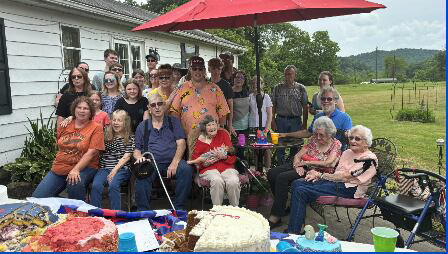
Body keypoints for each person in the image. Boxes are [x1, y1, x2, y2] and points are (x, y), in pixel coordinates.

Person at [287, 125, 377, 234]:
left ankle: (293, 233)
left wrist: (320, 175)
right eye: (351, 138)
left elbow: (345, 177)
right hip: (336, 182)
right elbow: (338, 174)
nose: (353, 141)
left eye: (357, 139)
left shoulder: (369, 159)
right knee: (297, 183)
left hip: (350, 189)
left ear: (366, 142)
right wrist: (319, 176)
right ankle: (297, 220)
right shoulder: (348, 152)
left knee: (301, 191)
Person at [267, 116, 342, 228]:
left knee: (282, 178)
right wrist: (297, 165)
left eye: (321, 135)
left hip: (315, 171)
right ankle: (281, 205)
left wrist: (306, 163)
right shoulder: (313, 139)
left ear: (330, 134)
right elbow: (298, 155)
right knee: (272, 173)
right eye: (316, 134)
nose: (317, 137)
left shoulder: (335, 144)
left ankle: (276, 216)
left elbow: (328, 163)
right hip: (302, 165)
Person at [32, 96, 104, 201]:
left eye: (86, 108)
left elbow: (91, 153)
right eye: (79, 107)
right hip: (61, 166)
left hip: (85, 167)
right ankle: (67, 205)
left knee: (74, 182)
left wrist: (76, 169)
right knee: (37, 198)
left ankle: (78, 212)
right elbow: (60, 145)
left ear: (91, 111)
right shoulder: (65, 124)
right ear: (74, 109)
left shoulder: (96, 127)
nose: (82, 111)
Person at [133, 93, 193, 211]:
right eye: (153, 105)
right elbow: (136, 149)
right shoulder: (143, 126)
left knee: (186, 169)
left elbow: (181, 143)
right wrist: (139, 157)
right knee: (141, 173)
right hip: (152, 163)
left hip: (173, 161)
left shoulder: (173, 122)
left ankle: (178, 208)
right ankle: (143, 212)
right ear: (149, 109)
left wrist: (175, 162)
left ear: (164, 106)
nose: (157, 107)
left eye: (160, 104)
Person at [170, 56, 230, 137]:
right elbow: (174, 111)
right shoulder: (182, 88)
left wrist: (221, 129)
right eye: (194, 68)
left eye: (200, 69)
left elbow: (223, 112)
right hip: (189, 137)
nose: (197, 71)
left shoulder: (215, 88)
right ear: (190, 70)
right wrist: (178, 132)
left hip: (211, 137)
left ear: (204, 70)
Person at [187, 115, 240, 206]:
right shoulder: (200, 140)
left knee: (233, 181)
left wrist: (225, 157)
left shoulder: (223, 134)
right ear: (204, 128)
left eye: (213, 124)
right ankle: (217, 210)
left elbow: (232, 155)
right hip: (209, 169)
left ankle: (234, 210)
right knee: (217, 180)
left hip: (226, 166)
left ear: (217, 125)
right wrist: (206, 164)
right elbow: (196, 160)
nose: (212, 127)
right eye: (208, 125)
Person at [280, 86, 352, 150]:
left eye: (329, 99)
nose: (326, 101)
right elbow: (308, 133)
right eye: (323, 99)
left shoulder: (345, 118)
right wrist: (286, 134)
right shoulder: (318, 116)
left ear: (335, 101)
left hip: (336, 154)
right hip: (317, 151)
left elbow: (350, 139)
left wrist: (348, 135)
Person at [90, 110, 134, 210]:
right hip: (104, 168)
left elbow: (126, 157)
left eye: (119, 120)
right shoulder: (106, 135)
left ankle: (116, 214)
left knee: (113, 185)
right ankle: (96, 214)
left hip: (122, 169)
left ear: (125, 123)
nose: (116, 122)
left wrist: (114, 171)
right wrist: (71, 118)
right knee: (96, 186)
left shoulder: (130, 137)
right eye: (114, 120)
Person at [271, 65, 308, 165]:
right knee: (279, 145)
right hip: (280, 120)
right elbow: (273, 105)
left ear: (295, 75)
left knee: (295, 145)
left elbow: (305, 107)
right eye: (286, 74)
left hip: (295, 121)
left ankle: (292, 165)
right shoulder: (278, 88)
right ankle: (280, 165)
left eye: (290, 74)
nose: (287, 76)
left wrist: (304, 124)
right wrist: (272, 120)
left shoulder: (301, 88)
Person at [249, 76, 273, 168]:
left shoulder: (266, 96)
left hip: (263, 127)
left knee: (266, 149)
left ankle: (267, 169)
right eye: (254, 83)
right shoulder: (250, 97)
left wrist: (267, 128)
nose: (256, 85)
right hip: (252, 126)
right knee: (255, 148)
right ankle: (257, 170)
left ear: (262, 85)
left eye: (258, 83)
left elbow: (270, 114)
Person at [208, 58, 234, 134]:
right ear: (209, 69)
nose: (216, 71)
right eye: (213, 68)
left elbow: (231, 106)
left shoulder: (226, 85)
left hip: (222, 122)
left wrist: (230, 124)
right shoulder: (205, 84)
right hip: (207, 122)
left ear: (221, 69)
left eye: (218, 69)